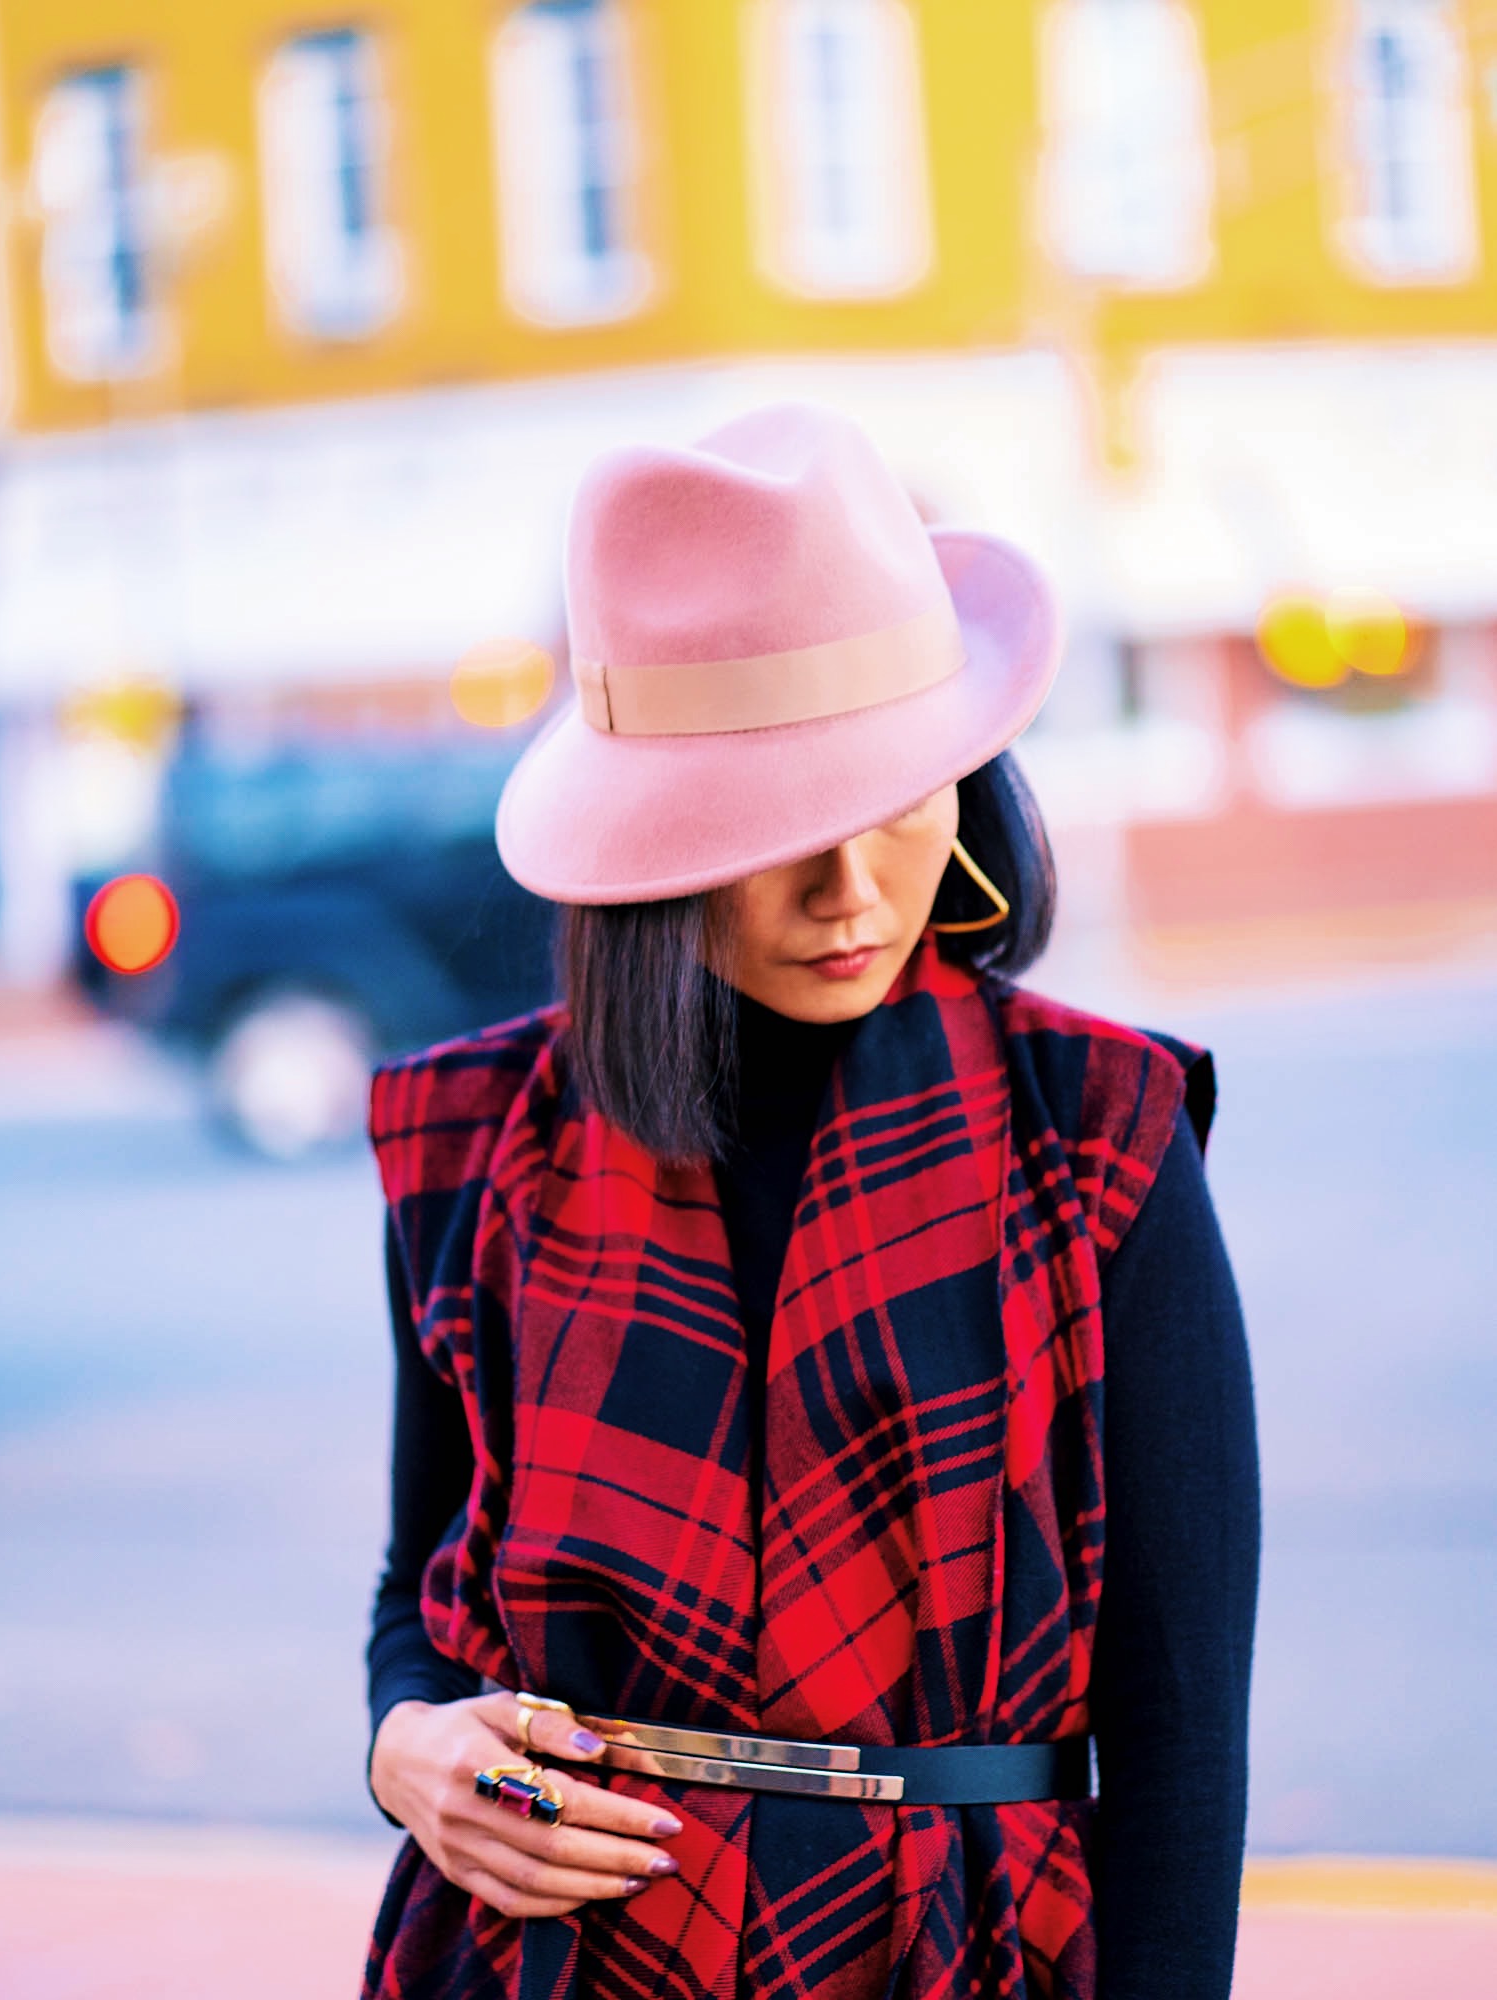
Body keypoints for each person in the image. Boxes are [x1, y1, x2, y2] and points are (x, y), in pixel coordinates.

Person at [359, 402, 1260, 2000]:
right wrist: (408, 1750)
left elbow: (1181, 1719)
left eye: (900, 792)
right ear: (653, 846)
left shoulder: (1098, 1131)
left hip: (958, 1955)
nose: (852, 890)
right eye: (775, 825)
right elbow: (418, 1584)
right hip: (548, 1961)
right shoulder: (478, 1137)